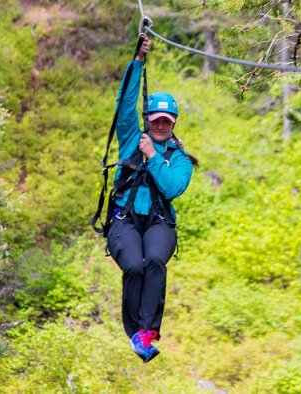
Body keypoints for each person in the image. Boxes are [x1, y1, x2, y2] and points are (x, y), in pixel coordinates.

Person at [106, 37, 197, 363]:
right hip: (125, 218)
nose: (160, 125)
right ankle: (134, 333)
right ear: (148, 119)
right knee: (133, 265)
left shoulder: (181, 157)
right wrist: (138, 60)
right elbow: (124, 102)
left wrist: (153, 157)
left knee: (155, 261)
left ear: (172, 125)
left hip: (159, 220)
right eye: (155, 119)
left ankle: (147, 333)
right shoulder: (132, 135)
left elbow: (172, 188)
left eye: (166, 121)